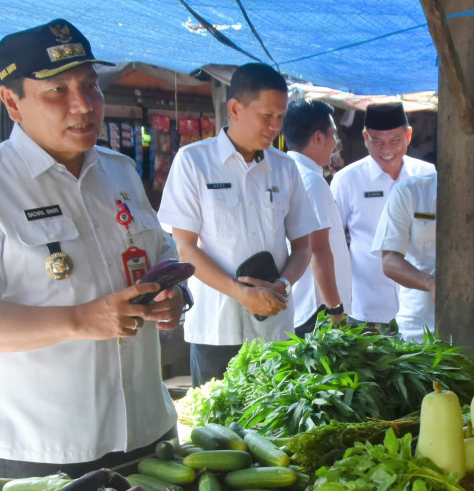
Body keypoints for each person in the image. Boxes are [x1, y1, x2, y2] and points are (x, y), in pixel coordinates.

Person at [0, 19, 183, 479]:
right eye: (56, 92)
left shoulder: (121, 173)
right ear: (12, 102)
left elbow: (160, 257)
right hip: (46, 453)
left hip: (150, 433)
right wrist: (79, 320)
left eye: (90, 86)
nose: (83, 106)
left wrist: (169, 297)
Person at [158, 63, 318, 385]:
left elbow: (304, 246)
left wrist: (283, 285)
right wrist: (239, 293)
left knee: (274, 424)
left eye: (280, 117)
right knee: (217, 427)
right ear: (235, 108)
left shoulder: (285, 169)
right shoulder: (193, 162)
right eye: (266, 115)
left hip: (275, 325)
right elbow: (185, 247)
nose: (275, 126)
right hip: (217, 327)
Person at [372, 169, 474, 341]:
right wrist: (431, 284)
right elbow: (390, 260)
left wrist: (469, 297)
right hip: (415, 329)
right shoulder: (409, 192)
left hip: (471, 330)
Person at [331, 102, 435, 328]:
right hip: (368, 308)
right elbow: (331, 243)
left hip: (421, 309)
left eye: (395, 140)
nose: (386, 150)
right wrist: (335, 304)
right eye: (377, 141)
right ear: (366, 138)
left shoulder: (428, 176)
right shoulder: (347, 180)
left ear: (408, 135)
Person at [282, 99, 350, 335]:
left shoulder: (287, 172)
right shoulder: (311, 181)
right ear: (319, 138)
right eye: (333, 135)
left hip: (303, 306)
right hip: (317, 310)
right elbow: (318, 250)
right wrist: (335, 310)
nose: (336, 143)